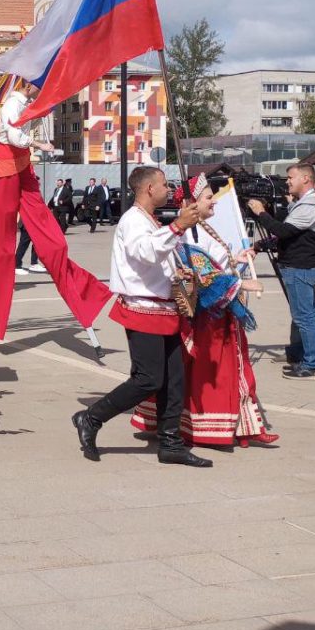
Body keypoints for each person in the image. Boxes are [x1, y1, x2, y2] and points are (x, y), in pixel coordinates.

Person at [71, 166, 211, 467]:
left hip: (164, 308)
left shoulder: (150, 219)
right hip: (143, 308)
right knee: (148, 379)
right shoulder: (133, 220)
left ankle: (171, 442)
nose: (167, 188)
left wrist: (178, 270)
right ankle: (91, 417)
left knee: (174, 379)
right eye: (163, 183)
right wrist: (177, 227)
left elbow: (156, 259)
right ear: (149, 188)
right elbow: (144, 253)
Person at [131, 174, 277, 448]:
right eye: (209, 197)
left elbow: (217, 268)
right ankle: (207, 428)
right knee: (211, 377)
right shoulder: (186, 233)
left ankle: (245, 427)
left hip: (219, 316)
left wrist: (238, 261)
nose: (214, 203)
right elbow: (203, 278)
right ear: (190, 203)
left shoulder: (205, 229)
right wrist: (241, 281)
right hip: (204, 320)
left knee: (234, 370)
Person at [0, 79, 110, 341]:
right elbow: (13, 133)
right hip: (7, 167)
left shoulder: (26, 103)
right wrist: (40, 145)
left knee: (52, 241)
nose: (40, 91)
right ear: (27, 84)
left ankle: (80, 290)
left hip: (22, 167)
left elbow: (25, 125)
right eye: (38, 86)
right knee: (1, 244)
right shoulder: (12, 104)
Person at [248, 163, 315, 379]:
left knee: (305, 317)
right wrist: (260, 245)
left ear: (306, 179)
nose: (287, 182)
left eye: (290, 178)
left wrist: (260, 213)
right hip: (298, 266)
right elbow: (289, 233)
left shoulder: (310, 205)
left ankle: (311, 364)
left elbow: (283, 231)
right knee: (302, 316)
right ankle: (299, 354)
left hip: (301, 268)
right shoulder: (302, 203)